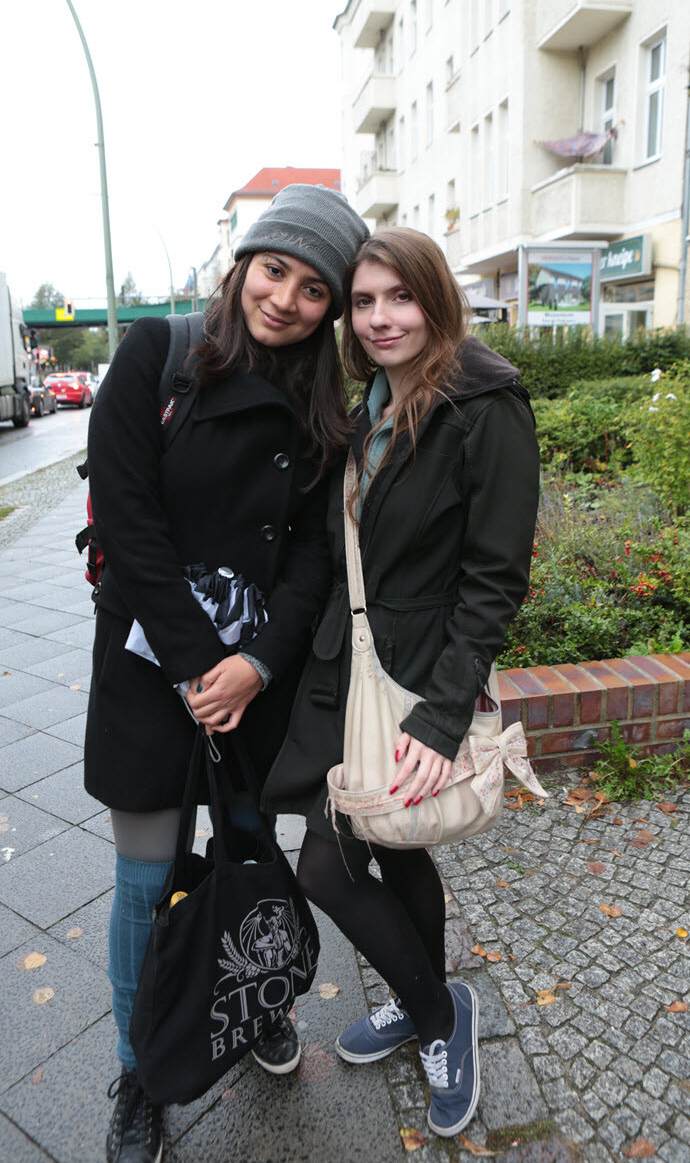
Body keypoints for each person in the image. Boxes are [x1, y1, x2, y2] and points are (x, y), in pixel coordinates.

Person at [84, 184, 368, 1163]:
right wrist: (201, 663)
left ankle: (250, 1005)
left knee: (248, 851)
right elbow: (129, 523)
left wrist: (255, 664)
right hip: (149, 668)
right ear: (244, 264)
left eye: (314, 288)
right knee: (144, 883)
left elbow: (312, 556)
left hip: (254, 682)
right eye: (274, 270)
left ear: (331, 308)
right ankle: (140, 1073)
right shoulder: (157, 354)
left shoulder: (325, 404)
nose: (286, 298)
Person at [263, 227, 540, 1139]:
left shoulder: (486, 404)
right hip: (347, 676)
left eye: (401, 297)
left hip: (418, 681)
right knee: (395, 848)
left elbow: (494, 579)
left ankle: (437, 1019)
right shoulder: (369, 405)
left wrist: (442, 712)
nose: (381, 318)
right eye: (364, 302)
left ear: (436, 300)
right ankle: (427, 994)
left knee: (328, 866)